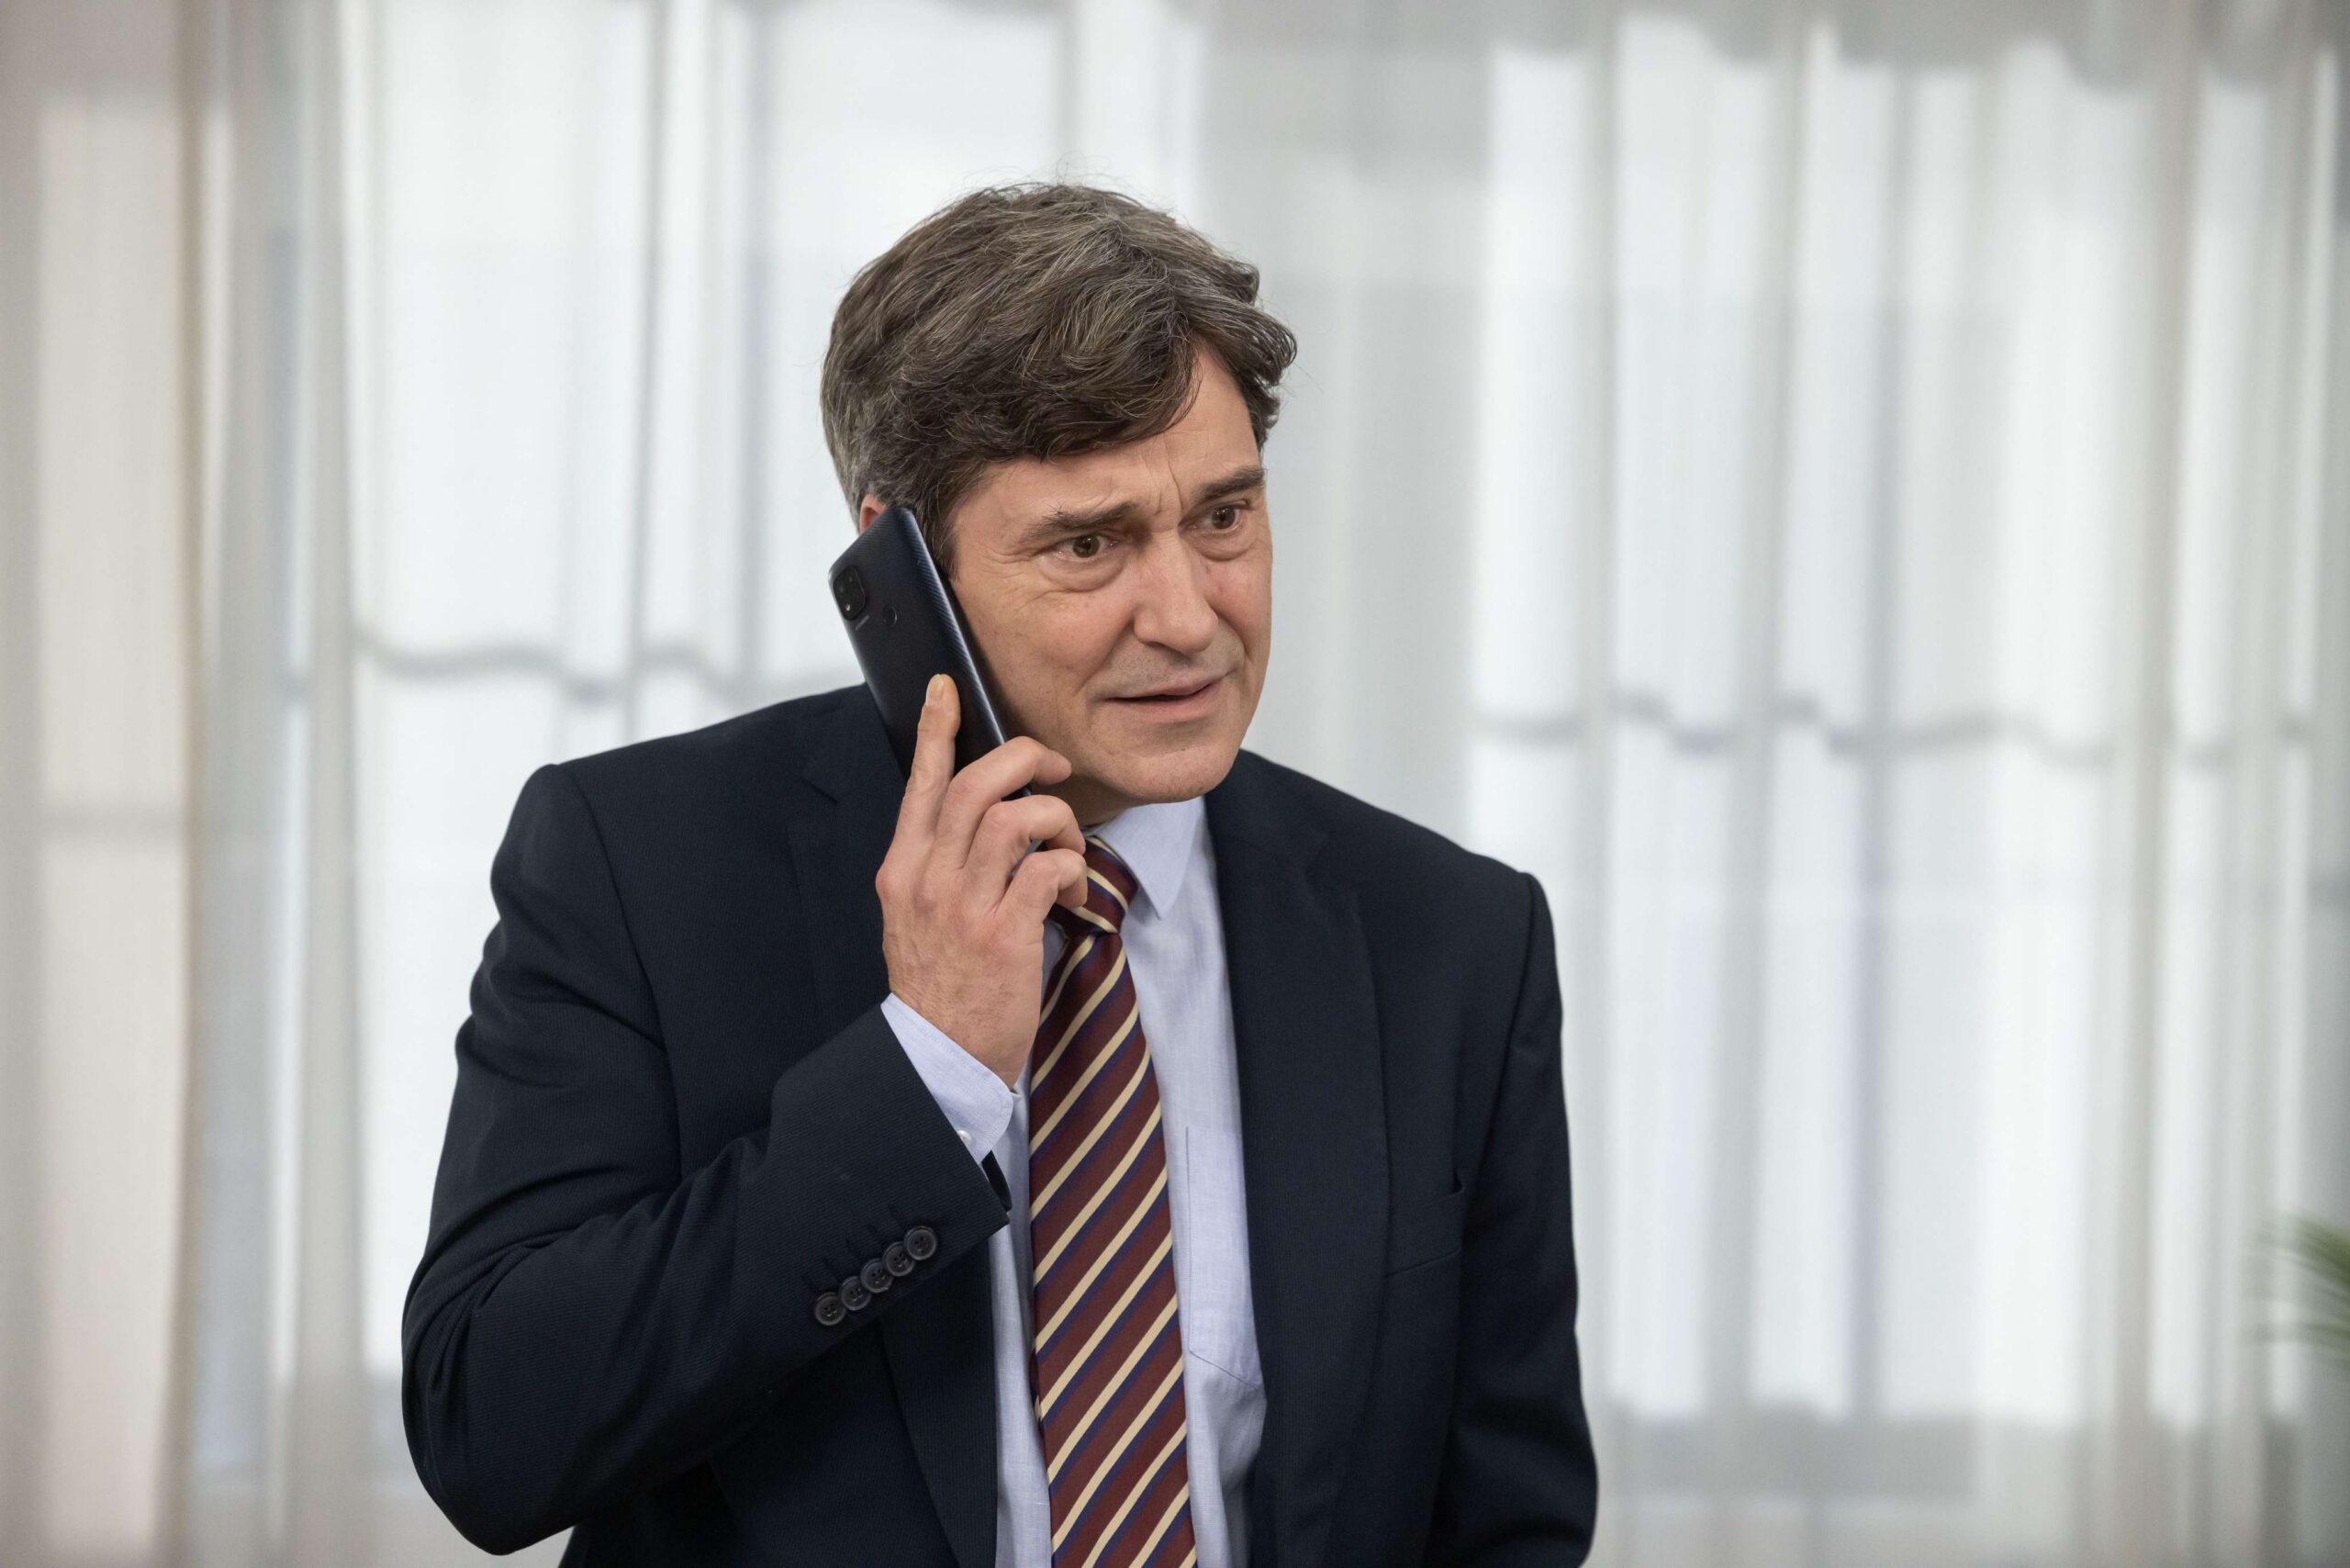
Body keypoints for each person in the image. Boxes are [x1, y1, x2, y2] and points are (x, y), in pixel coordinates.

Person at [402, 181, 1596, 1567]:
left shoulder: (1451, 940)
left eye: (1222, 517)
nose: (1189, 616)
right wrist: (928, 1070)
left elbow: (1509, 1527)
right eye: (1089, 544)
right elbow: (491, 1433)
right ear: (897, 564)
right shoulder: (637, 863)